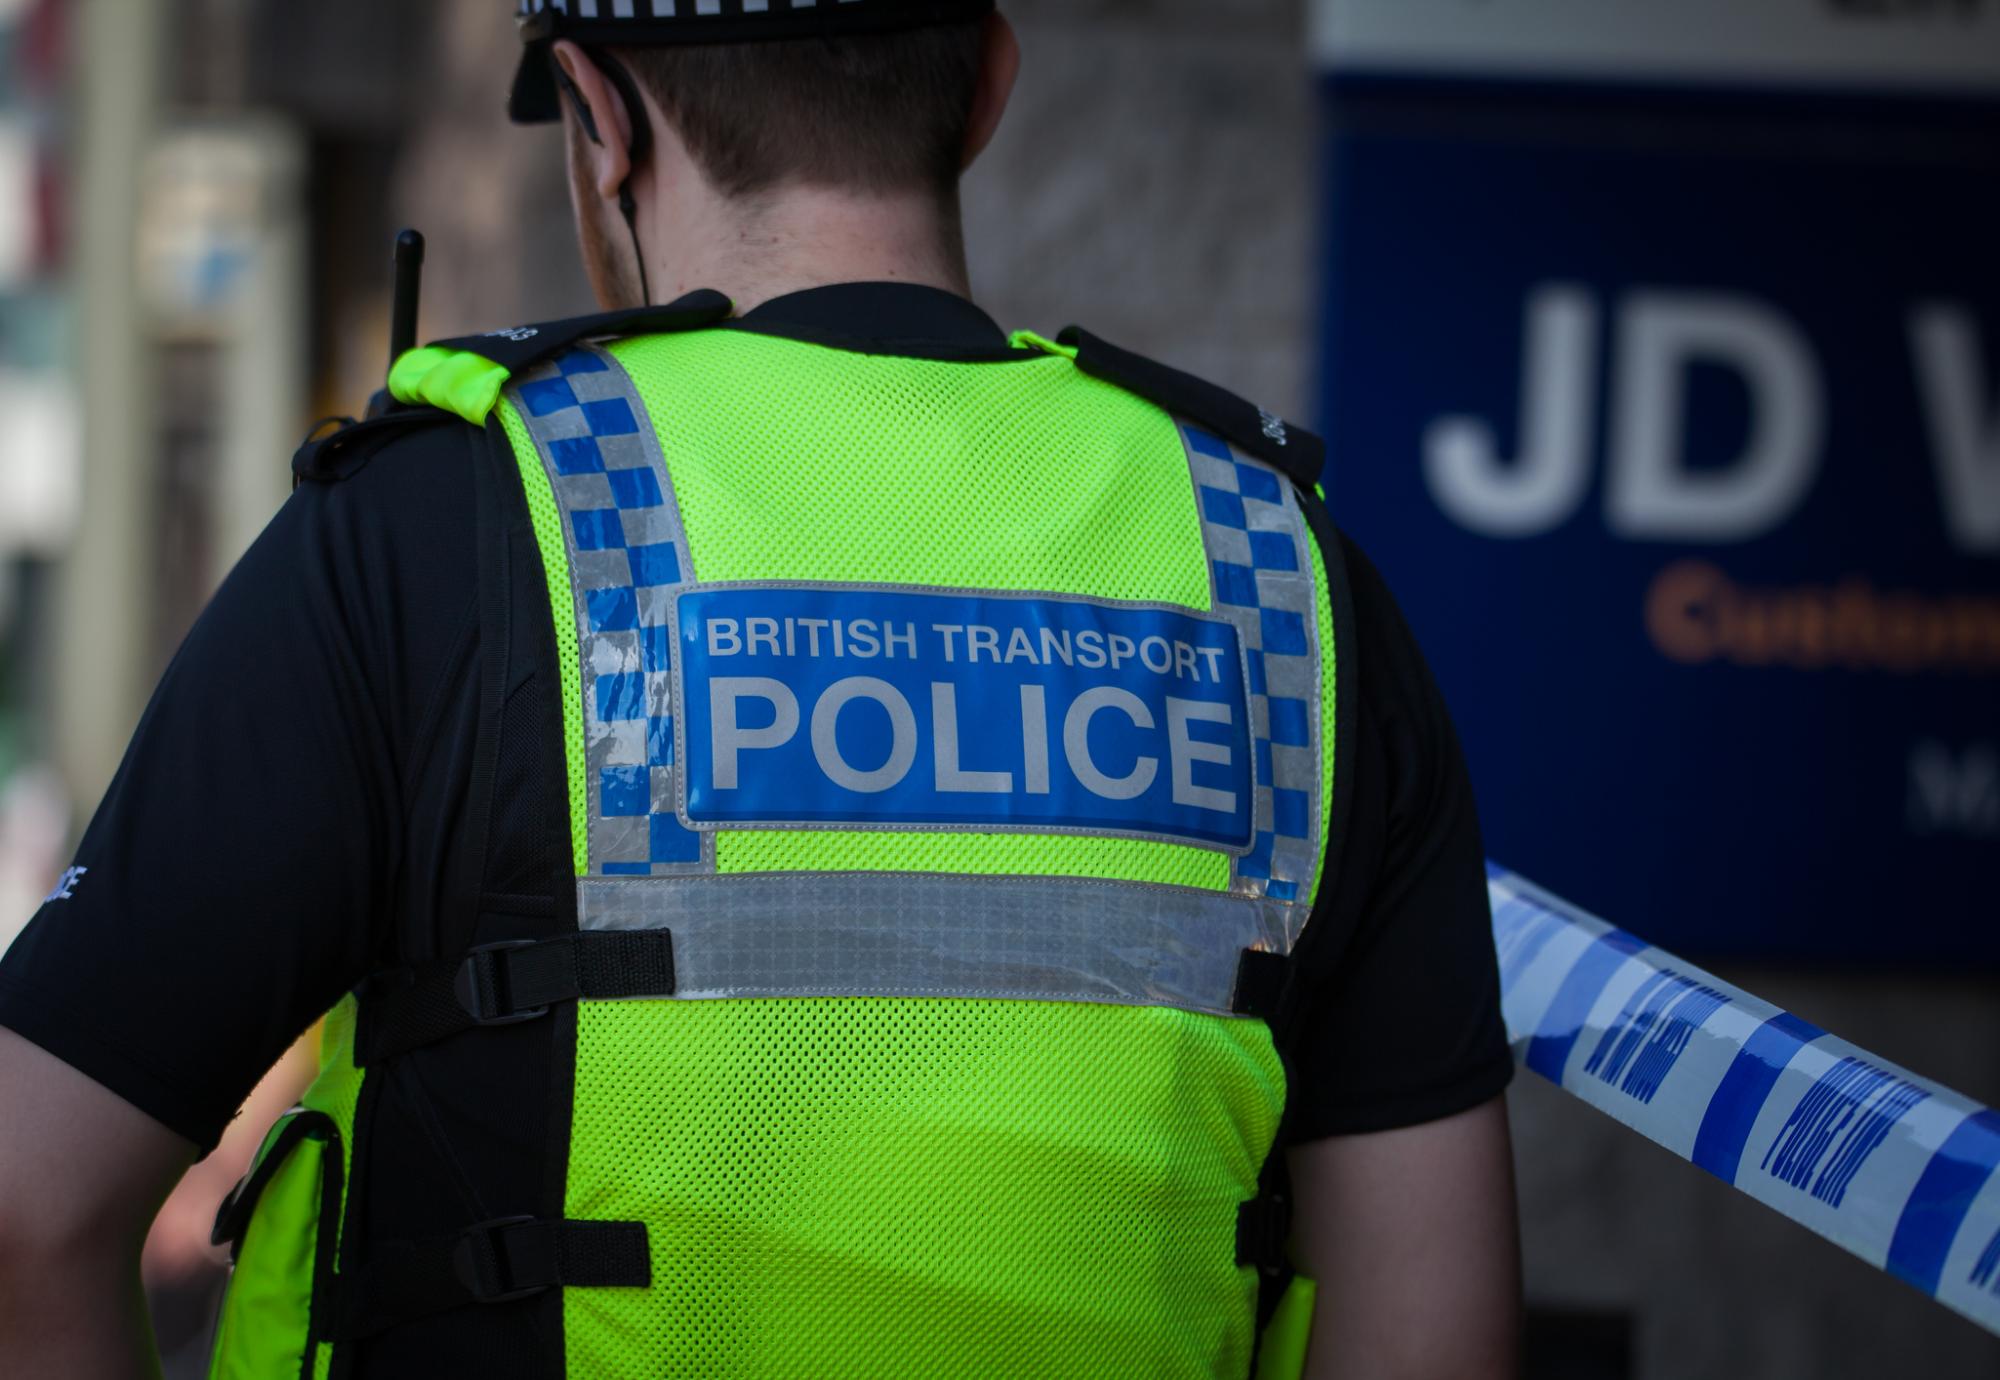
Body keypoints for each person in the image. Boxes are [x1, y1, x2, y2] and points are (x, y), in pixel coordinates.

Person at [0, 3, 1521, 1376]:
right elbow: (1433, 1331)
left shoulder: (437, 526)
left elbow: (26, 1207)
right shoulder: (1280, 576)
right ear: (987, 83)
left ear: (601, 119)